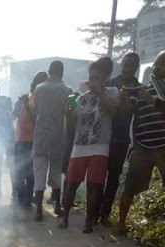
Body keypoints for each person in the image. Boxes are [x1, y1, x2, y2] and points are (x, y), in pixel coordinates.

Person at [60, 59, 119, 232]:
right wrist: (68, 114)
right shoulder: (80, 98)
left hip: (100, 146)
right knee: (72, 183)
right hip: (80, 146)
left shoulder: (112, 92)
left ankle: (88, 222)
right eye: (91, 77)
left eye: (97, 78)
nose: (93, 81)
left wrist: (100, 93)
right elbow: (71, 128)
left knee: (94, 185)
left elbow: (113, 112)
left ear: (105, 78)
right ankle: (65, 218)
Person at [118, 50, 165, 235]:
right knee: (130, 186)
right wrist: (135, 144)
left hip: (163, 148)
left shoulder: (152, 95)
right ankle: (121, 223)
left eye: (163, 64)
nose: (159, 67)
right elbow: (134, 118)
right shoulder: (141, 91)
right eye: (158, 63)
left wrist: (152, 100)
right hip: (144, 148)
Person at [99, 52, 141, 225]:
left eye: (132, 65)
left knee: (114, 178)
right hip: (104, 136)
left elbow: (138, 117)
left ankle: (105, 215)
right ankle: (93, 212)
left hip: (122, 139)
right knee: (99, 175)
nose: (128, 68)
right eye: (126, 64)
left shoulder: (139, 90)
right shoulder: (110, 84)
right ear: (121, 64)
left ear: (137, 68)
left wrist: (135, 142)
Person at [32, 60, 70, 220]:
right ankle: (57, 207)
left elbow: (37, 110)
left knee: (39, 173)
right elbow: (72, 110)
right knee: (55, 173)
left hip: (40, 137)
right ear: (62, 72)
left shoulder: (38, 89)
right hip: (57, 138)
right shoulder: (68, 90)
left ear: (49, 71)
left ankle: (39, 211)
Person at [13, 71, 48, 208]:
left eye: (42, 81)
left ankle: (27, 201)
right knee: (18, 172)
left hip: (34, 141)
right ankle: (21, 199)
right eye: (37, 81)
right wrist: (19, 105)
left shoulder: (42, 101)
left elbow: (36, 121)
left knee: (30, 174)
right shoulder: (26, 97)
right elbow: (14, 116)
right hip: (21, 140)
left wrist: (26, 105)